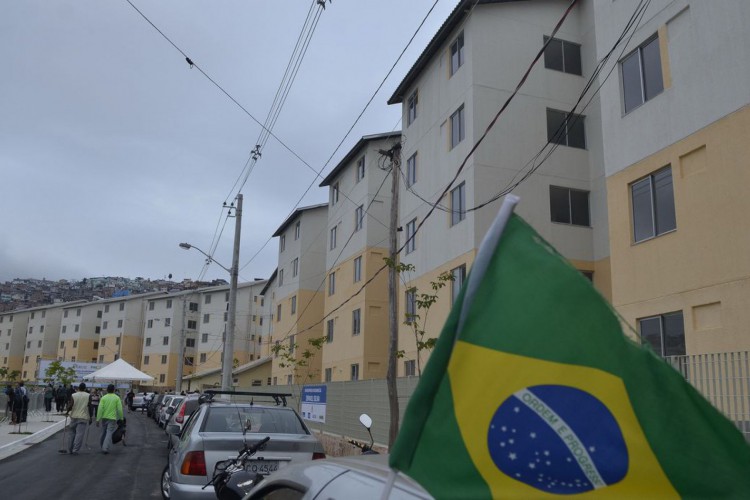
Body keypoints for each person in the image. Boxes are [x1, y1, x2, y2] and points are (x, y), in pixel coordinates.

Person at [96, 384, 123, 454]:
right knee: (109, 433)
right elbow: (120, 409)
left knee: (103, 432)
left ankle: (102, 446)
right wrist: (121, 418)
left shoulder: (103, 398)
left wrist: (98, 419)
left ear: (107, 390)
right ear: (114, 390)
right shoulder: (117, 398)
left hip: (104, 418)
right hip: (112, 418)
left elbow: (100, 409)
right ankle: (105, 448)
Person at [65, 383, 91, 455]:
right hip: (83, 417)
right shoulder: (88, 396)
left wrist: (67, 412)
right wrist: (91, 417)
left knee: (71, 433)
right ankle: (75, 449)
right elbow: (90, 406)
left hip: (74, 416)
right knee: (79, 434)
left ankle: (70, 449)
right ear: (85, 388)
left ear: (78, 388)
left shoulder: (74, 395)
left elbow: (70, 405)